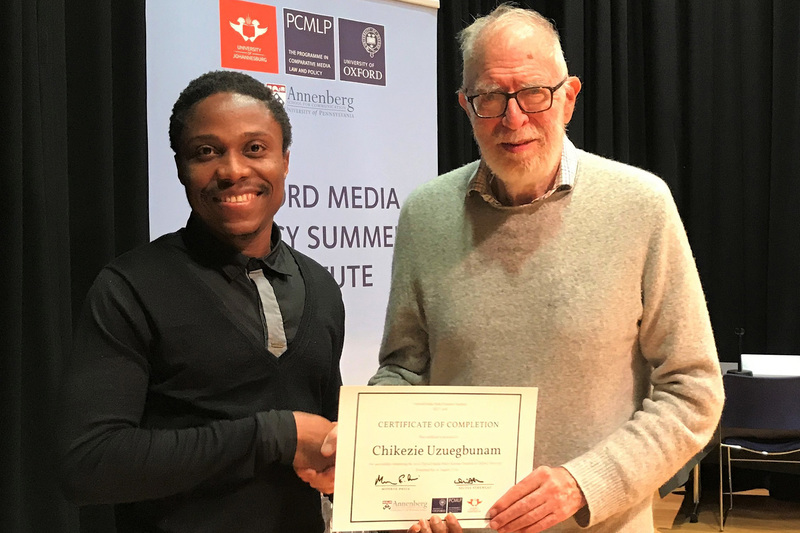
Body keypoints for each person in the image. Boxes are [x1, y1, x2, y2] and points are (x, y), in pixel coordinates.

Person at [369, 5, 724, 533]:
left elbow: (693, 388)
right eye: (490, 97)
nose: (513, 119)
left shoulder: (641, 204)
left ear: (568, 98)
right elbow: (403, 369)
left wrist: (585, 483)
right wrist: (373, 449)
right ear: (466, 106)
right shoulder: (425, 214)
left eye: (533, 93)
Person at [59, 70, 343, 532]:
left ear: (285, 161)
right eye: (206, 152)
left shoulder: (322, 287)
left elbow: (326, 447)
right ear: (180, 167)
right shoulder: (130, 288)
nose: (233, 171)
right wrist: (271, 435)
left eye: (255, 148)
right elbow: (89, 465)